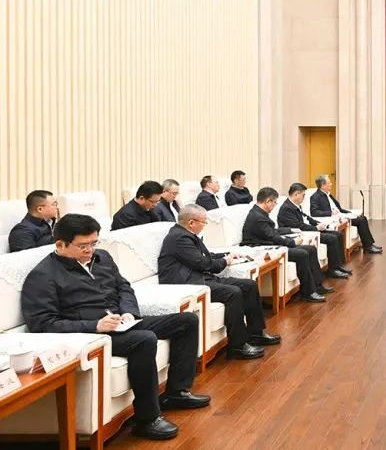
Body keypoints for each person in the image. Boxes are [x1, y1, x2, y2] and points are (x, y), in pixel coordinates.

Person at [21, 214, 209, 441]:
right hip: (91, 336)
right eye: (83, 246)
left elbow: (124, 287)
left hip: (121, 323)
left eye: (94, 243)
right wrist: (94, 326)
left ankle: (176, 392)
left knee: (186, 321)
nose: (90, 250)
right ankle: (147, 419)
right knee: (144, 339)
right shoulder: (43, 275)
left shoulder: (103, 257)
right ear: (60, 244)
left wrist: (129, 312)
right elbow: (42, 323)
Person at [158, 204, 280, 360]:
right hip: (189, 283)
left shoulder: (185, 234)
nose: (205, 225)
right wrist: (225, 261)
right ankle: (237, 346)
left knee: (249, 285)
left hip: (200, 277)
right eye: (204, 222)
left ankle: (256, 333)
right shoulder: (178, 238)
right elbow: (203, 263)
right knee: (233, 293)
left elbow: (204, 256)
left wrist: (228, 254)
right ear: (191, 222)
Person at [241, 187, 331, 303]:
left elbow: (271, 231)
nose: (275, 205)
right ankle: (308, 292)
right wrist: (292, 242)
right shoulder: (258, 216)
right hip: (262, 247)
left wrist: (290, 230)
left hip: (268, 243)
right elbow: (272, 236)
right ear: (268, 201)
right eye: (274, 202)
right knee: (302, 254)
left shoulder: (259, 213)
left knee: (311, 249)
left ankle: (317, 286)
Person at [277, 183, 351, 279]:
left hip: (307, 230)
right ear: (296, 194)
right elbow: (298, 225)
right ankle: (333, 270)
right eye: (303, 195)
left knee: (338, 235)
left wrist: (318, 223)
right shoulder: (287, 208)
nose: (304, 198)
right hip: (300, 233)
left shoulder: (294, 205)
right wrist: (316, 228)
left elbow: (306, 217)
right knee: (331, 238)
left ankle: (338, 265)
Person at [310, 174, 382, 254]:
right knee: (361, 220)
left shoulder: (328, 194)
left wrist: (350, 213)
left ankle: (369, 245)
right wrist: (330, 213)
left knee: (362, 218)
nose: (331, 184)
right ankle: (368, 247)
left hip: (341, 215)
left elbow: (339, 209)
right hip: (334, 219)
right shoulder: (315, 197)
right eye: (329, 183)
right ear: (323, 185)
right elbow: (314, 212)